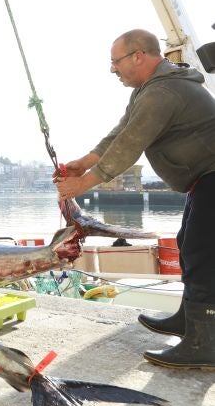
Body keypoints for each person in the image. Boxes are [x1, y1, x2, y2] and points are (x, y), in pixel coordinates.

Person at [55, 29, 215, 369]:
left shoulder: (163, 92)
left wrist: (82, 185)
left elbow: (131, 145)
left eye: (116, 61)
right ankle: (189, 320)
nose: (113, 69)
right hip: (205, 178)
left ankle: (206, 344)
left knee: (202, 252)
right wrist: (84, 162)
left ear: (138, 55)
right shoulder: (148, 90)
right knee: (190, 243)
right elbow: (120, 132)